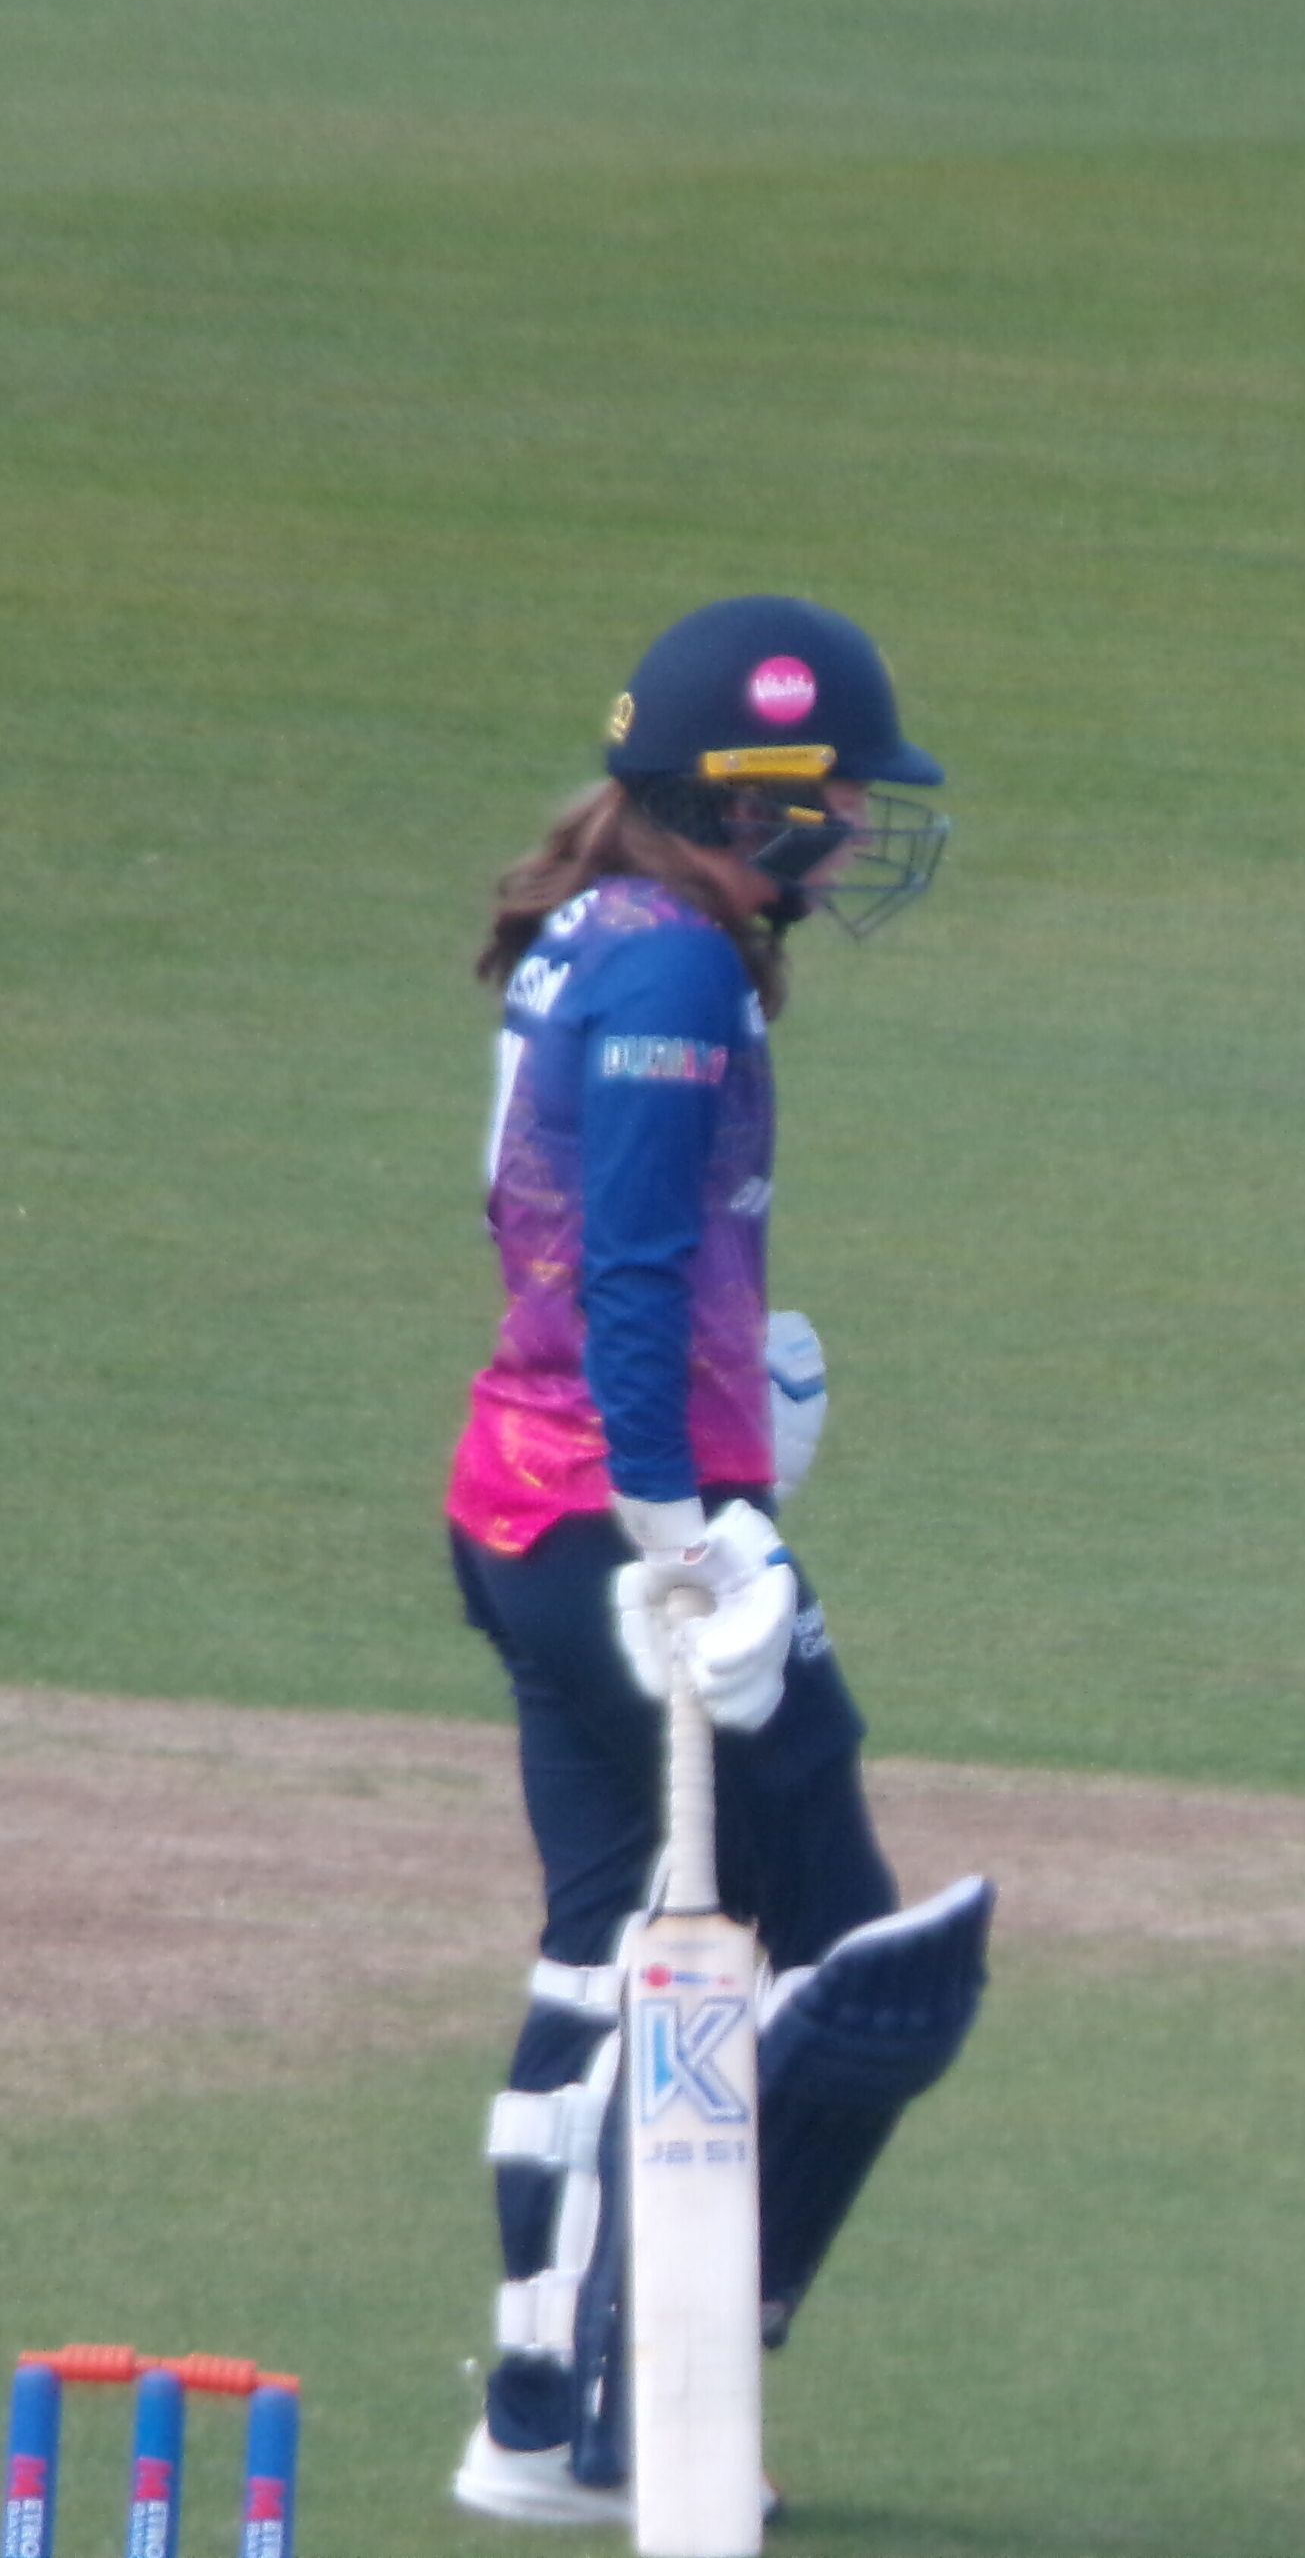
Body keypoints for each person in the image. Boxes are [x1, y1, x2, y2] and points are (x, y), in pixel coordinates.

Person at [445, 594, 995, 2525]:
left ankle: (539, 2398)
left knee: (604, 1934)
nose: (857, 821)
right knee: (864, 1954)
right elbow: (631, 1269)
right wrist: (693, 1522)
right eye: (833, 789)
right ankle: (656, 2394)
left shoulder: (602, 931)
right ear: (739, 798)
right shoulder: (675, 972)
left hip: (522, 1497)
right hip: (627, 1520)